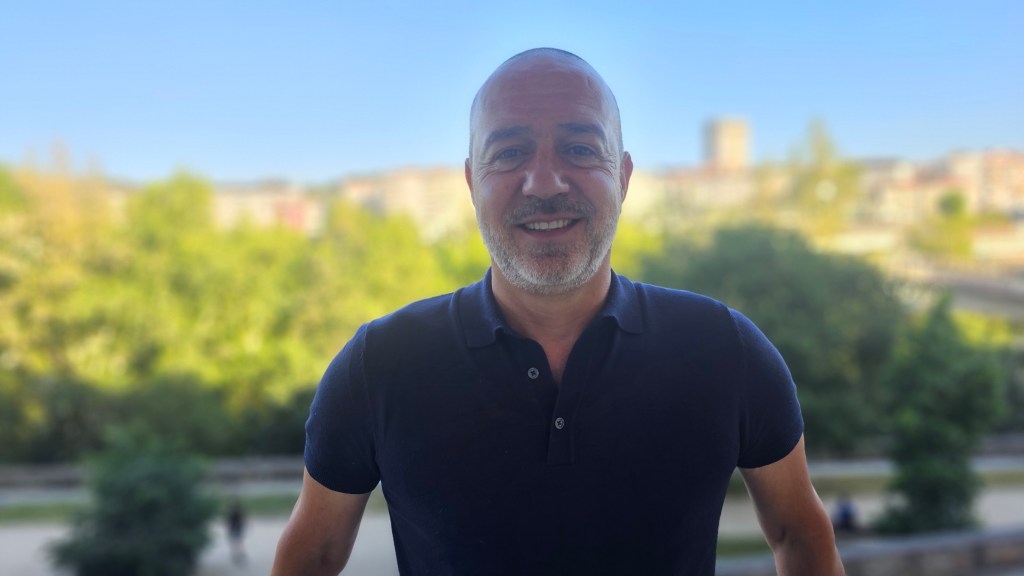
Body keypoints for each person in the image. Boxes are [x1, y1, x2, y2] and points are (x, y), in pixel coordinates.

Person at [273, 47, 844, 575]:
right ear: (472, 182)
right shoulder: (379, 364)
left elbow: (799, 533)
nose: (543, 182)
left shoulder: (725, 349)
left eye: (579, 149)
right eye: (509, 152)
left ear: (622, 177)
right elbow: (313, 558)